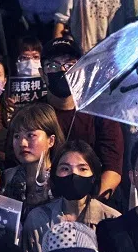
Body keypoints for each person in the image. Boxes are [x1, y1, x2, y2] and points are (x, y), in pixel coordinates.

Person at [39, 38, 124, 200]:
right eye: (53, 66)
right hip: (47, 202)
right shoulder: (34, 113)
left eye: (70, 65)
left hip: (95, 198)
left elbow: (113, 169)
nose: (63, 71)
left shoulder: (100, 110)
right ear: (42, 74)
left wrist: (89, 206)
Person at [23, 140, 120, 252]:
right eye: (65, 169)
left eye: (83, 169)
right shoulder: (38, 219)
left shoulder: (113, 219)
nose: (74, 175)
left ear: (93, 176)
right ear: (54, 175)